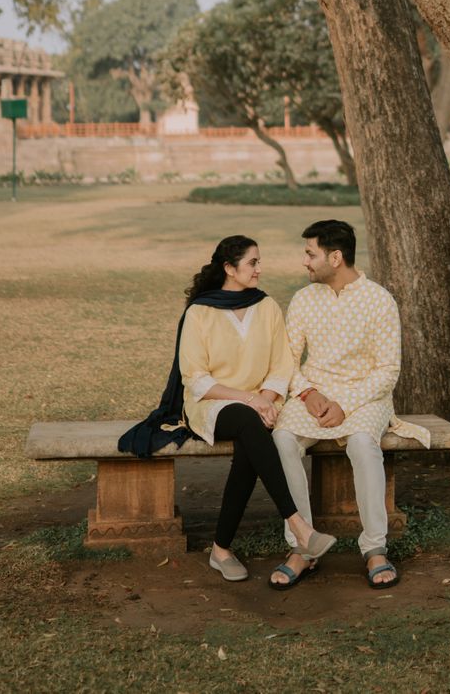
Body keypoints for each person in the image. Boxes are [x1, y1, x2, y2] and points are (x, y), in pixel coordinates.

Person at [118, 235, 335, 584]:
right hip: (212, 404)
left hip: (260, 402)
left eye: (259, 261)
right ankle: (299, 526)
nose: (260, 269)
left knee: (251, 444)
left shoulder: (266, 307)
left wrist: (265, 396)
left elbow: (281, 364)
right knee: (251, 424)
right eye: (253, 263)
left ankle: (221, 549)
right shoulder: (200, 312)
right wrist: (252, 399)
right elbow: (196, 378)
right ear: (229, 268)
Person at [271, 220, 429, 591]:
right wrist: (309, 395)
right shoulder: (303, 299)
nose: (305, 262)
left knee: (361, 443)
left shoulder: (379, 300)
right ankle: (303, 546)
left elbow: (388, 371)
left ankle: (375, 548)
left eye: (311, 254)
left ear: (336, 257)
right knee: (281, 440)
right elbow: (286, 361)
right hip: (312, 394)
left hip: (365, 395)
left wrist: (345, 403)